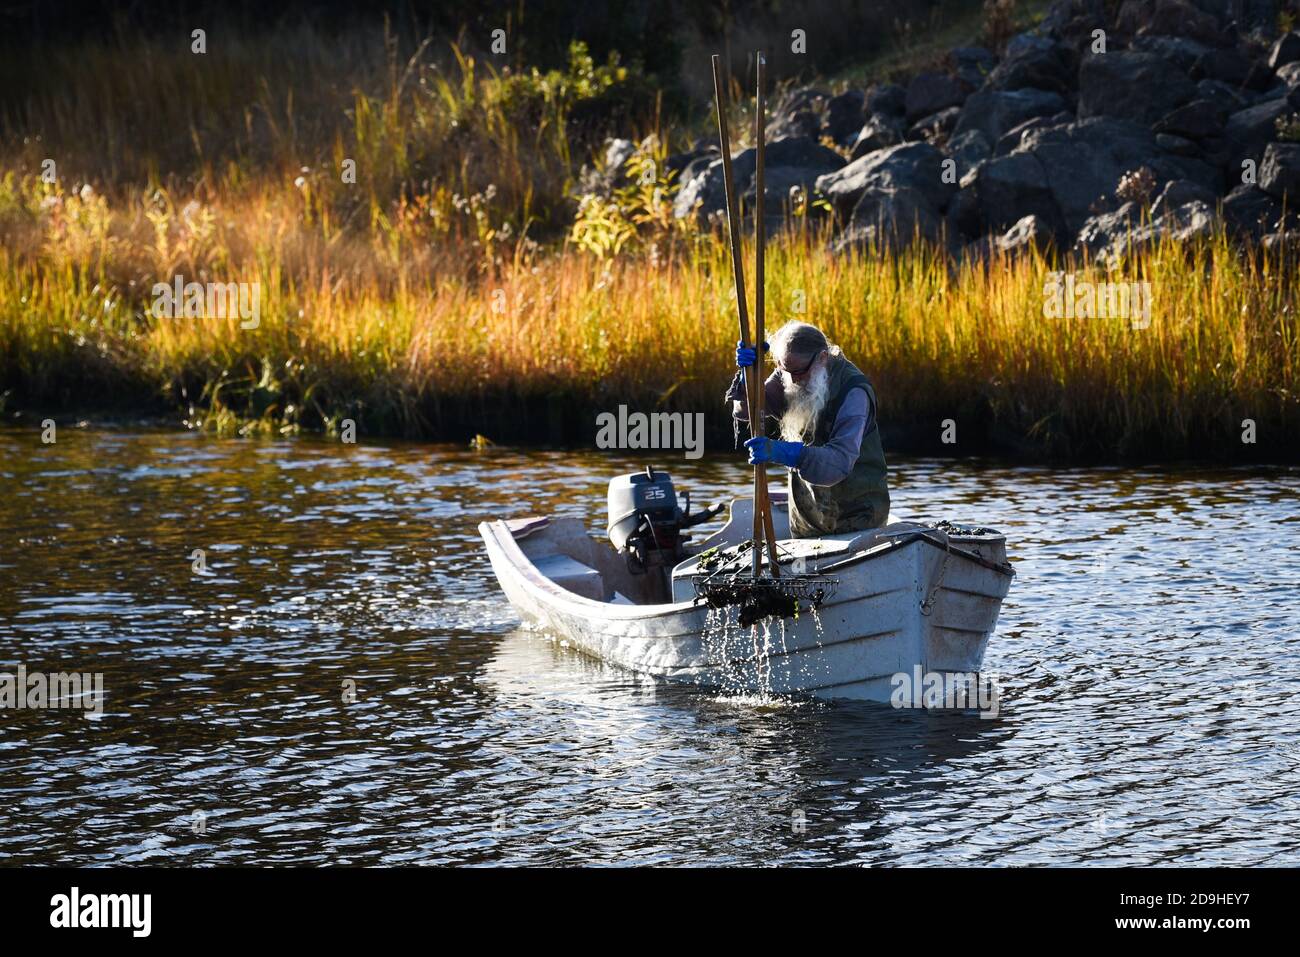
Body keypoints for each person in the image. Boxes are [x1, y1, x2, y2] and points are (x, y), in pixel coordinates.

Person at [725, 320, 890, 537]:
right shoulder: (790, 374)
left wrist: (788, 453)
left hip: (858, 521)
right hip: (807, 521)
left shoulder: (854, 392)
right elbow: (747, 411)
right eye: (785, 369)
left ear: (822, 358)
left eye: (799, 372)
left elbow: (839, 463)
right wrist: (748, 377)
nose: (793, 379)